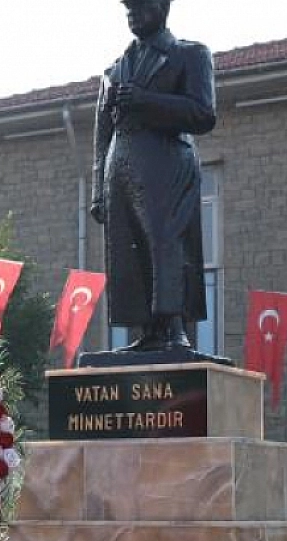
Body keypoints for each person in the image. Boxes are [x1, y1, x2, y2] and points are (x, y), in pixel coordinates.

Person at [88, 0, 217, 356]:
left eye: (141, 5)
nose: (132, 12)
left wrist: (147, 100)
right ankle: (147, 330)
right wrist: (98, 189)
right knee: (128, 249)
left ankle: (174, 330)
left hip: (166, 161)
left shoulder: (189, 54)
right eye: (128, 7)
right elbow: (101, 134)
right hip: (122, 164)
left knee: (165, 243)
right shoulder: (114, 69)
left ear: (162, 7)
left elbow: (203, 113)